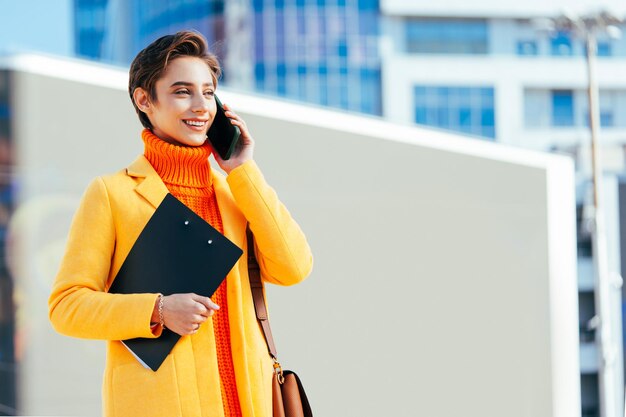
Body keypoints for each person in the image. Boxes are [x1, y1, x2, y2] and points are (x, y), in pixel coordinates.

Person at [48, 30, 313, 417]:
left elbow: (294, 268)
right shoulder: (112, 193)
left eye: (208, 92)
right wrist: (157, 310)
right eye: (182, 91)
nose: (201, 106)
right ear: (144, 99)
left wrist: (244, 170)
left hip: (251, 402)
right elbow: (67, 306)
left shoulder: (236, 192)